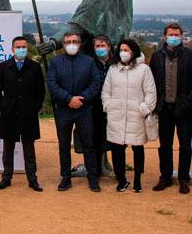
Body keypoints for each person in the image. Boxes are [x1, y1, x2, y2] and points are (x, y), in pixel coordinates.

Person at [148, 22, 192, 194]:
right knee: (165, 145)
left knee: (185, 145)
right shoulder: (156, 57)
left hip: (185, 108)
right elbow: (153, 82)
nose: (173, 37)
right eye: (170, 34)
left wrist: (189, 101)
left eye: (176, 34)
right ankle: (165, 177)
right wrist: (156, 104)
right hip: (164, 108)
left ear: (181, 36)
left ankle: (183, 179)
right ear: (165, 36)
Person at [46, 32, 102, 192]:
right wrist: (69, 98)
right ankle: (65, 177)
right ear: (63, 45)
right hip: (63, 109)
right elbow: (52, 83)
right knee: (64, 146)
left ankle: (93, 177)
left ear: (80, 44)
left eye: (75, 41)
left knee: (89, 144)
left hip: (84, 109)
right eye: (68, 42)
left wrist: (82, 98)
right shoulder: (56, 62)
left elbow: (95, 82)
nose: (71, 44)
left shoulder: (89, 62)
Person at [101, 39, 157, 193]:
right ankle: (122, 179)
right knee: (117, 150)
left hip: (136, 115)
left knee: (137, 148)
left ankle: (138, 178)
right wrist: (108, 106)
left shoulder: (144, 69)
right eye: (121, 49)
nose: (123, 52)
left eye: (126, 50)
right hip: (116, 115)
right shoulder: (113, 69)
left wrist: (144, 108)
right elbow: (106, 91)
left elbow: (151, 92)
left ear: (133, 51)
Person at [0, 36, 45, 191]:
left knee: (29, 149)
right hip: (9, 114)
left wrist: (35, 107)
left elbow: (40, 91)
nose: (21, 49)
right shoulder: (3, 66)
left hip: (28, 114)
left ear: (27, 48)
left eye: (24, 47)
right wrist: (3, 107)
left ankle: (32, 179)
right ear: (12, 49)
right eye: (18, 47)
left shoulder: (34, 67)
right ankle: (6, 178)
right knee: (8, 149)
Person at [91, 35, 114, 177]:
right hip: (95, 106)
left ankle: (118, 170)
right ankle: (97, 170)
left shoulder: (116, 63)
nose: (100, 49)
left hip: (113, 107)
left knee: (116, 140)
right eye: (97, 46)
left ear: (109, 47)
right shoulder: (90, 64)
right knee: (96, 138)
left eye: (103, 46)